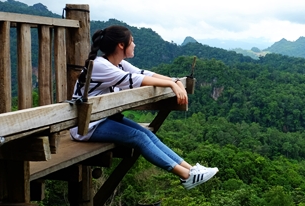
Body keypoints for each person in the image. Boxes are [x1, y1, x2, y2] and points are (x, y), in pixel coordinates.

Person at [69, 25, 218, 190]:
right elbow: (136, 80)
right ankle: (186, 176)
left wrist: (174, 81)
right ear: (121, 45)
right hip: (86, 126)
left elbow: (145, 74)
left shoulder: (118, 64)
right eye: (132, 41)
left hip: (103, 117)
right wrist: (171, 83)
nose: (134, 44)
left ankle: (191, 169)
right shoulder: (100, 66)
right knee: (138, 137)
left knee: (146, 133)